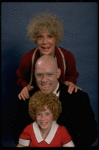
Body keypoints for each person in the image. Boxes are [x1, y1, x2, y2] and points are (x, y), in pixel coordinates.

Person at [13, 55, 97, 147]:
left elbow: (91, 133)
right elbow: (17, 133)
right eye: (40, 74)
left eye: (49, 74)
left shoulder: (78, 97)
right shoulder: (26, 97)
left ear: (58, 73)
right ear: (35, 74)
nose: (44, 80)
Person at [16, 13, 82, 101]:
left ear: (56, 38)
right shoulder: (27, 58)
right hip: (36, 98)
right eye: (40, 37)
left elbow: (72, 75)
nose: (45, 42)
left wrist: (70, 82)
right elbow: (20, 78)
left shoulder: (67, 56)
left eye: (50, 36)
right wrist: (26, 87)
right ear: (35, 39)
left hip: (60, 97)